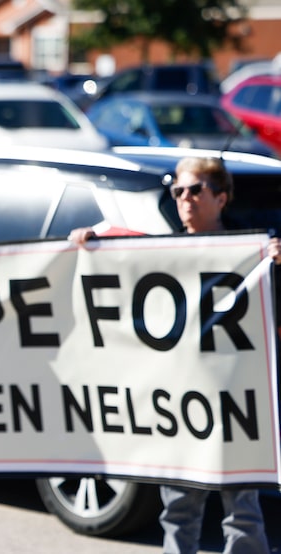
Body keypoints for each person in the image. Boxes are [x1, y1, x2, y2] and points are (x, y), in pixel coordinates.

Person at [70, 156, 280, 554]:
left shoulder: (251, 249)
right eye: (178, 191)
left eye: (195, 190)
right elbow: (115, 257)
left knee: (242, 508)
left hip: (235, 399)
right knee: (180, 508)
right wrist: (88, 244)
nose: (185, 199)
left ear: (221, 198)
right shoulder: (159, 249)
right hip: (179, 402)